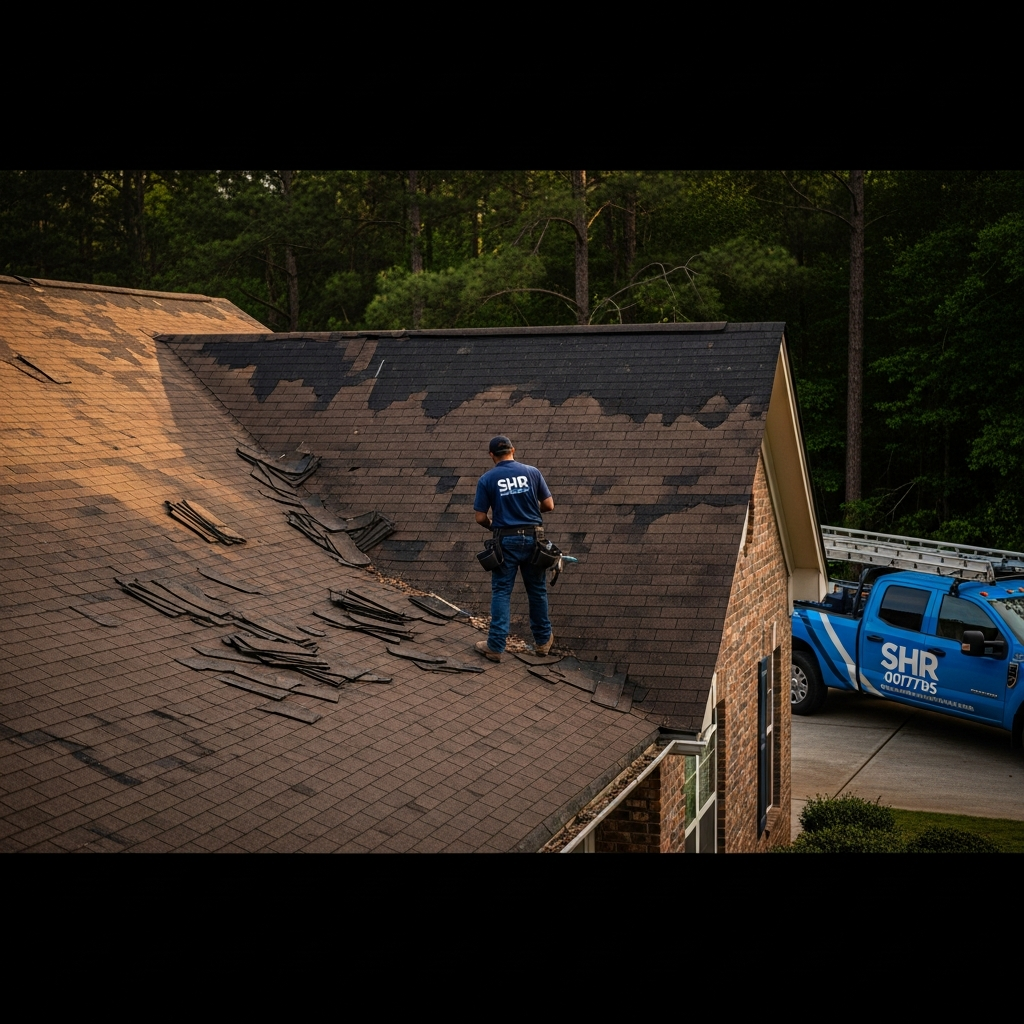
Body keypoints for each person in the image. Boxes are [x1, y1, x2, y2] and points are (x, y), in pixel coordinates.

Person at [473, 435, 555, 662]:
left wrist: (493, 525)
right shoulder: (532, 472)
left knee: (502, 591)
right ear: (513, 450)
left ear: (492, 455)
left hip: (505, 541)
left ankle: (496, 646)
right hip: (532, 538)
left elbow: (480, 517)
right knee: (537, 591)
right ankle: (542, 642)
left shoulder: (487, 479)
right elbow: (549, 505)